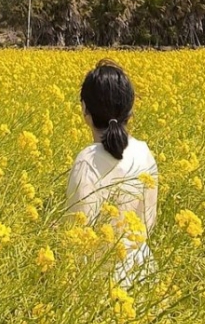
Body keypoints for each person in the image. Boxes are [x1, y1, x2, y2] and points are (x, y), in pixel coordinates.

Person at [66, 58, 158, 286]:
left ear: (84, 109)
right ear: (130, 110)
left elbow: (77, 237)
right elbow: (148, 223)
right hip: (142, 276)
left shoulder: (87, 160)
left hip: (100, 282)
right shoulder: (145, 153)